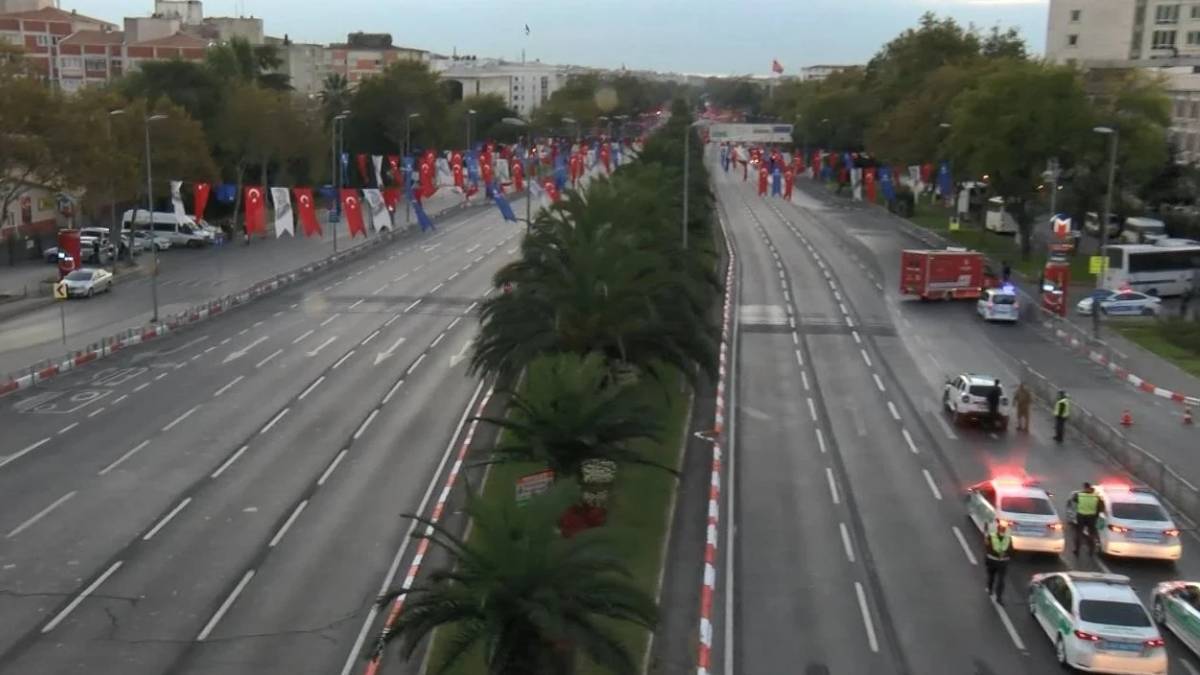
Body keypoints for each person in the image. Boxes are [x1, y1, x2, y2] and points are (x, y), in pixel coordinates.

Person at [1068, 482, 1101, 557]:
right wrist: (1096, 515)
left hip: (1081, 516)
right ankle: (1091, 551)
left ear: (1084, 487)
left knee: (1078, 533)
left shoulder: (1080, 495)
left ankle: (1077, 550)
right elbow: (1099, 507)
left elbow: (1074, 500)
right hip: (1091, 517)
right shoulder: (1096, 496)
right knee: (1091, 534)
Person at [984, 520, 1012, 603]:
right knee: (1001, 580)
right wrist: (1005, 554)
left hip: (992, 560)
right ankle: (998, 597)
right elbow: (1011, 550)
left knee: (992, 576)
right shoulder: (1008, 538)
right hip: (1002, 562)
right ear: (1005, 529)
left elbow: (987, 547)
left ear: (998, 529)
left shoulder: (991, 536)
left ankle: (990, 589)